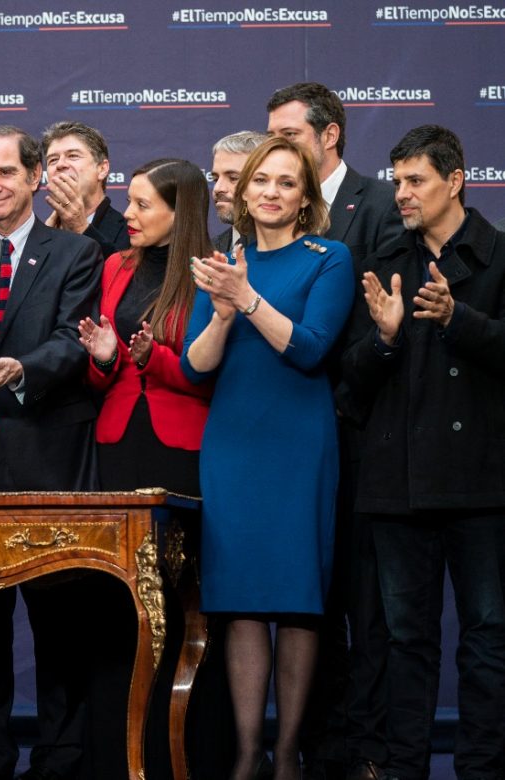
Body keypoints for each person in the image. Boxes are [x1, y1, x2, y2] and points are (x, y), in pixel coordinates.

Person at [181, 135, 353, 780]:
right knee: (242, 599)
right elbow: (196, 367)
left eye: (287, 182)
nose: (272, 193)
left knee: (297, 598)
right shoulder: (221, 261)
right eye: (262, 181)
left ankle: (288, 756)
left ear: (306, 197)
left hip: (298, 443)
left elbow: (310, 349)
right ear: (243, 193)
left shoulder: (328, 258)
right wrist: (224, 312)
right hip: (232, 445)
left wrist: (248, 299)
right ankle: (249, 754)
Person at [338, 124, 505, 780]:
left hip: (482, 484)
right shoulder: (385, 265)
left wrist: (458, 320)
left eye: (416, 181)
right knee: (406, 642)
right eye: (397, 180)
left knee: (488, 639)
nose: (401, 193)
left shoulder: (499, 258)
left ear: (456, 181)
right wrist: (383, 339)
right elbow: (350, 378)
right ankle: (404, 768)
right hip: (396, 484)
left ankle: (483, 769)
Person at [0, 125, 102, 780]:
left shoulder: (75, 252)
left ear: (36, 176)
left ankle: (60, 757)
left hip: (44, 455)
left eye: (4, 172)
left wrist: (24, 368)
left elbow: (73, 339)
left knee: (57, 618)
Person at [266, 81, 401, 780]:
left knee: (364, 602)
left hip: (359, 427)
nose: (279, 149)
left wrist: (334, 393)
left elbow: (382, 325)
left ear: (330, 135)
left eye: (290, 134)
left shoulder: (377, 205)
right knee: (304, 595)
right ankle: (318, 742)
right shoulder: (274, 216)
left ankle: (369, 749)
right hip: (288, 439)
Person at [76, 158, 212, 777]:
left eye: (139, 205)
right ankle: (114, 755)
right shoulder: (113, 267)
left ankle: (176, 754)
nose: (125, 215)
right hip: (117, 445)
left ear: (178, 213)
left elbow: (206, 376)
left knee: (178, 607)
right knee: (115, 603)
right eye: (127, 203)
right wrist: (105, 359)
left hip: (180, 454)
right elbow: (98, 371)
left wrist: (152, 358)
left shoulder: (212, 275)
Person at [40, 121, 130, 258]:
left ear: (102, 169)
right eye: (53, 160)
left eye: (73, 156)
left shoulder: (131, 232)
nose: (60, 164)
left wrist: (81, 228)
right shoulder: (41, 235)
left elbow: (124, 276)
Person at [211, 131, 267, 253]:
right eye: (215, 179)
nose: (217, 188)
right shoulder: (208, 251)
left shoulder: (303, 250)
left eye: (233, 178)